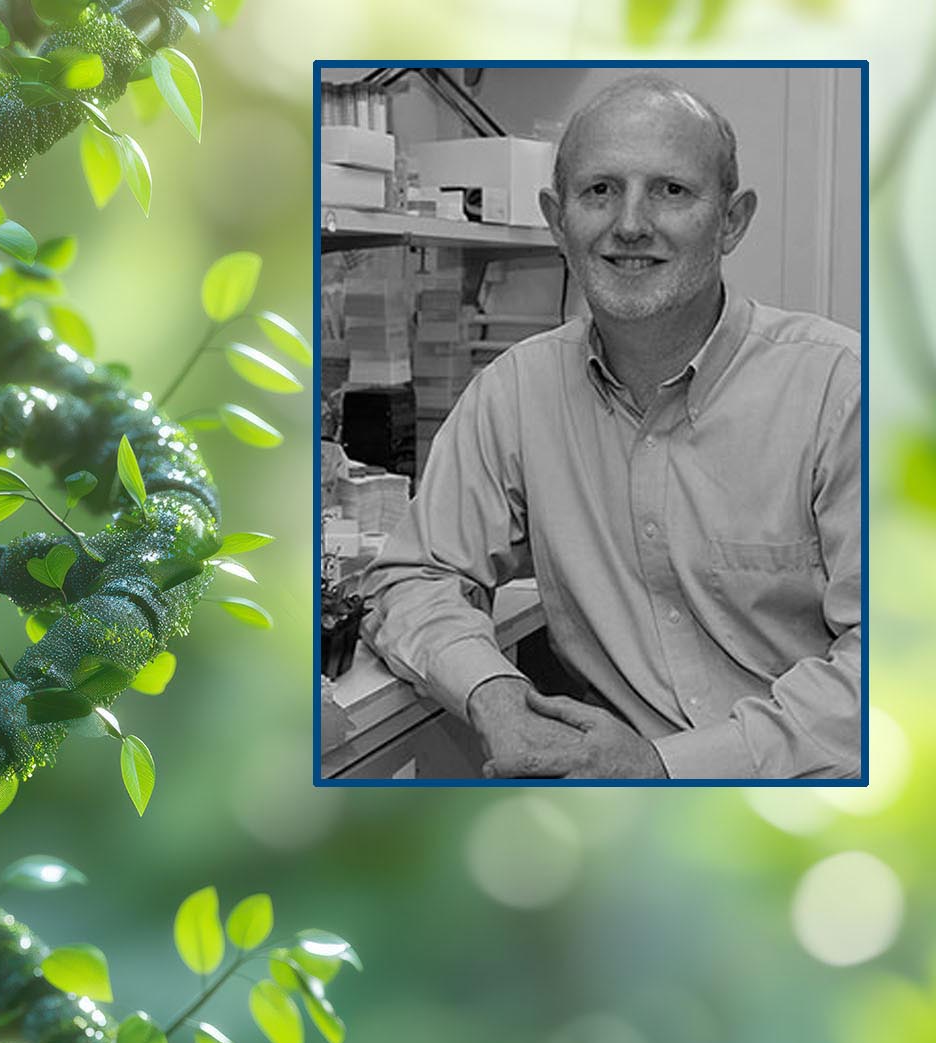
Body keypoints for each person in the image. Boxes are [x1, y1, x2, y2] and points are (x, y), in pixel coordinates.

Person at [360, 74, 861, 780]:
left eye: (671, 190)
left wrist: (667, 767)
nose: (630, 223)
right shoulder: (516, 390)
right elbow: (415, 575)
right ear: (556, 219)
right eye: (599, 190)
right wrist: (492, 691)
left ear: (733, 221)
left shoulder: (843, 391)